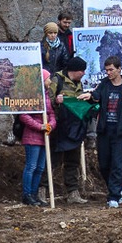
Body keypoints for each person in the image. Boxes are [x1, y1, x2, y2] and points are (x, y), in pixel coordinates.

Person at [79, 56, 122, 208]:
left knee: (117, 165)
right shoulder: (105, 84)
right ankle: (117, 189)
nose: (108, 73)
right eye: (106, 70)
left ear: (119, 69)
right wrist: (90, 97)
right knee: (104, 164)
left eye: (111, 69)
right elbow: (96, 95)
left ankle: (113, 196)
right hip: (105, 130)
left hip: (121, 132)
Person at [49, 56, 96, 204]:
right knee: (52, 160)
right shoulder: (57, 79)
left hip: (75, 128)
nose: (83, 73)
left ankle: (73, 193)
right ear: (74, 70)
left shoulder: (79, 84)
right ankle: (43, 189)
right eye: (82, 70)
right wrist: (56, 101)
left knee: (73, 161)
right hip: (58, 126)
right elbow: (47, 100)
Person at [20, 69, 57, 206]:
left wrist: (51, 125)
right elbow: (23, 115)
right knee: (31, 166)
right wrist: (39, 126)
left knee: (40, 167)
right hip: (32, 137)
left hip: (44, 137)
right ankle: (27, 194)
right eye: (48, 78)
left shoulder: (47, 96)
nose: (50, 81)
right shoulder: (31, 96)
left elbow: (51, 113)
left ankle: (34, 195)